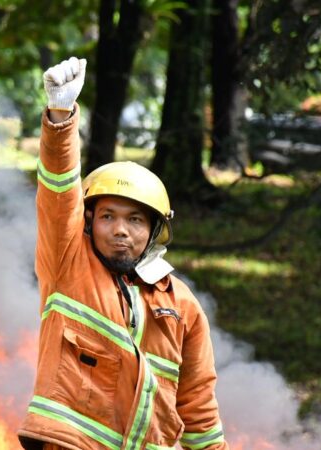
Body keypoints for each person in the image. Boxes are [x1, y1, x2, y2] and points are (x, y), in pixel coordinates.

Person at [17, 57, 229, 450]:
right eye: (108, 216)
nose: (120, 229)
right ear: (89, 221)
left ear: (153, 233)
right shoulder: (68, 264)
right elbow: (59, 195)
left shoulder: (182, 305)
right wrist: (61, 117)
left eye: (135, 220)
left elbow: (198, 405)